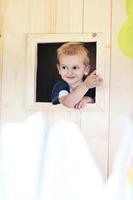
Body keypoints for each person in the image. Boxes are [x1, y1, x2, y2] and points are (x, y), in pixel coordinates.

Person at [51, 42, 103, 109]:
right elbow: (67, 103)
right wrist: (85, 86)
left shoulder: (91, 85)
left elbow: (100, 100)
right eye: (64, 67)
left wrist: (89, 99)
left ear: (86, 70)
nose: (69, 72)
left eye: (75, 68)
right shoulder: (61, 85)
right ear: (59, 69)